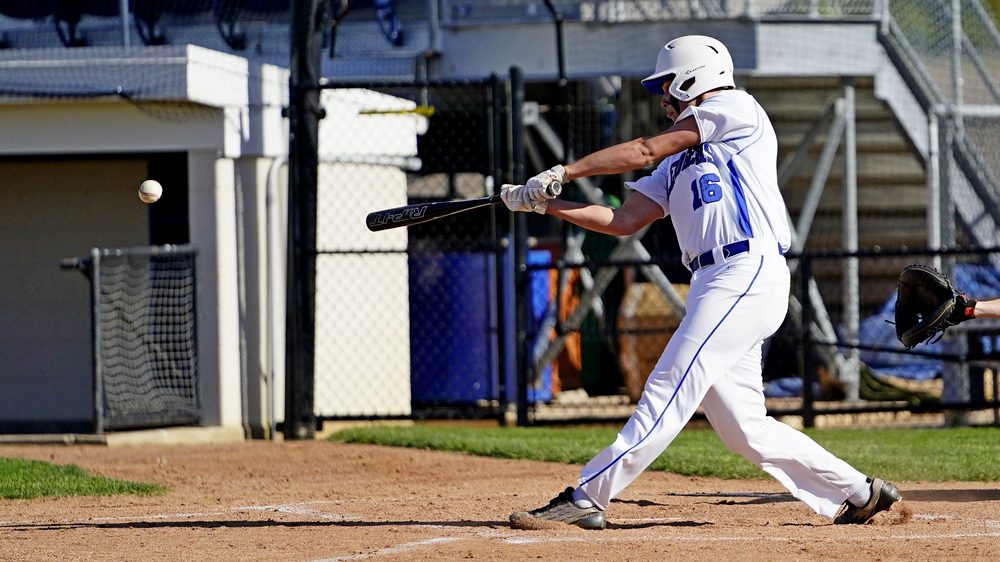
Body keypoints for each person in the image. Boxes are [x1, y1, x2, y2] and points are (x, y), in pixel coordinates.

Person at [501, 35, 901, 530]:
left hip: (746, 271)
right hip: (715, 282)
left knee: (668, 385)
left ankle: (587, 495)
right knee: (744, 430)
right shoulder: (676, 163)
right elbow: (623, 220)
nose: (662, 97)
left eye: (667, 84)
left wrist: (565, 170)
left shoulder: (737, 108)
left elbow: (644, 148)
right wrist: (541, 203)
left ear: (696, 77)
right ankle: (860, 491)